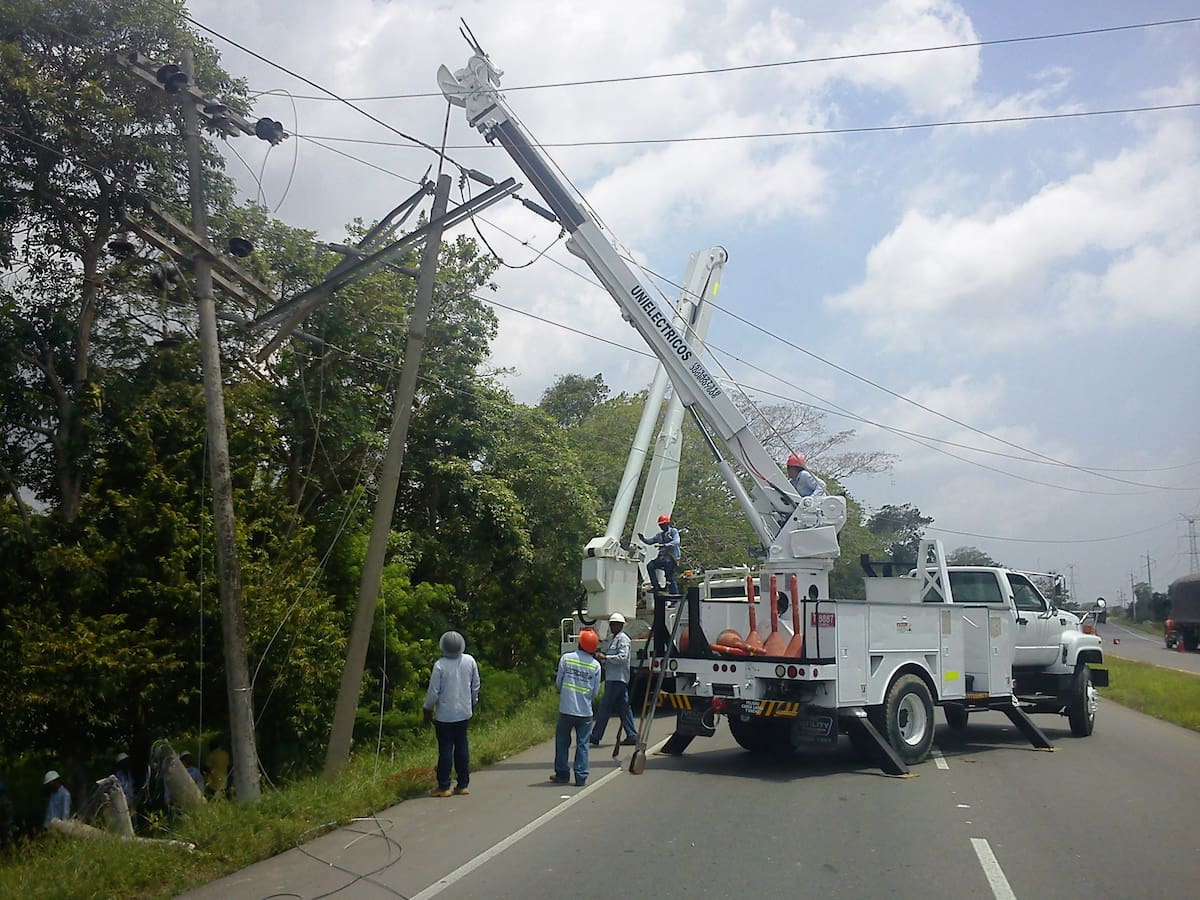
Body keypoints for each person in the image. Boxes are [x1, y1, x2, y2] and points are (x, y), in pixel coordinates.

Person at [423, 630, 480, 798]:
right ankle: (463, 785)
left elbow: (433, 692)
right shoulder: (469, 661)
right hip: (464, 712)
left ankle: (444, 786)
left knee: (446, 749)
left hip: (445, 715)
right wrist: (471, 702)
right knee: (462, 747)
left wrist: (427, 708)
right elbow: (475, 685)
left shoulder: (440, 665)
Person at [551, 627, 601, 787]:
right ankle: (580, 777)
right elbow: (595, 691)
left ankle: (562, 774)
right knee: (583, 744)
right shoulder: (595, 666)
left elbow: (559, 683)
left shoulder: (566, 658)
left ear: (580, 643)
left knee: (562, 742)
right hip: (585, 712)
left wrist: (566, 694)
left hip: (567, 709)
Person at [589, 613, 639, 748]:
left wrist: (606, 658)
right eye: (611, 624)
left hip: (618, 678)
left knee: (605, 706)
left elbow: (622, 657)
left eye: (614, 624)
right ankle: (632, 735)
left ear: (620, 625)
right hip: (613, 677)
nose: (611, 626)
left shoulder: (623, 639)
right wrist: (604, 660)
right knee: (624, 707)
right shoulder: (612, 639)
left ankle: (595, 736)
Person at [640, 514, 681, 595]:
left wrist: (665, 545)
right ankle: (656, 586)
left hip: (671, 559)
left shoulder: (673, 532)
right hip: (662, 558)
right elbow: (650, 541)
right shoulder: (659, 535)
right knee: (650, 566)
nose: (661, 526)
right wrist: (643, 539)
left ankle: (674, 596)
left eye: (663, 524)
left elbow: (676, 541)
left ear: (667, 524)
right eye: (660, 525)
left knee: (669, 577)